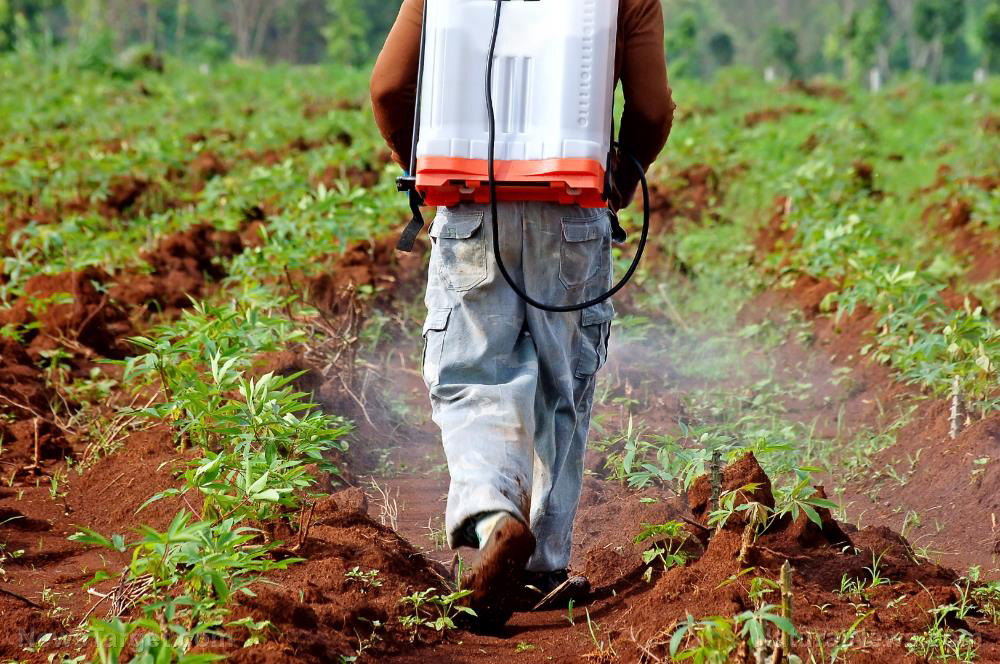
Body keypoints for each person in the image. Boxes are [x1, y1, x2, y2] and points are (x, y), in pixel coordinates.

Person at [370, 0, 674, 628]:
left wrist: (418, 165)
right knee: (563, 385)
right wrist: (618, 183)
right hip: (573, 208)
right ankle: (543, 567)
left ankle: (493, 516)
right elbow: (650, 109)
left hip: (469, 202)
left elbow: (388, 88)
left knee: (470, 376)